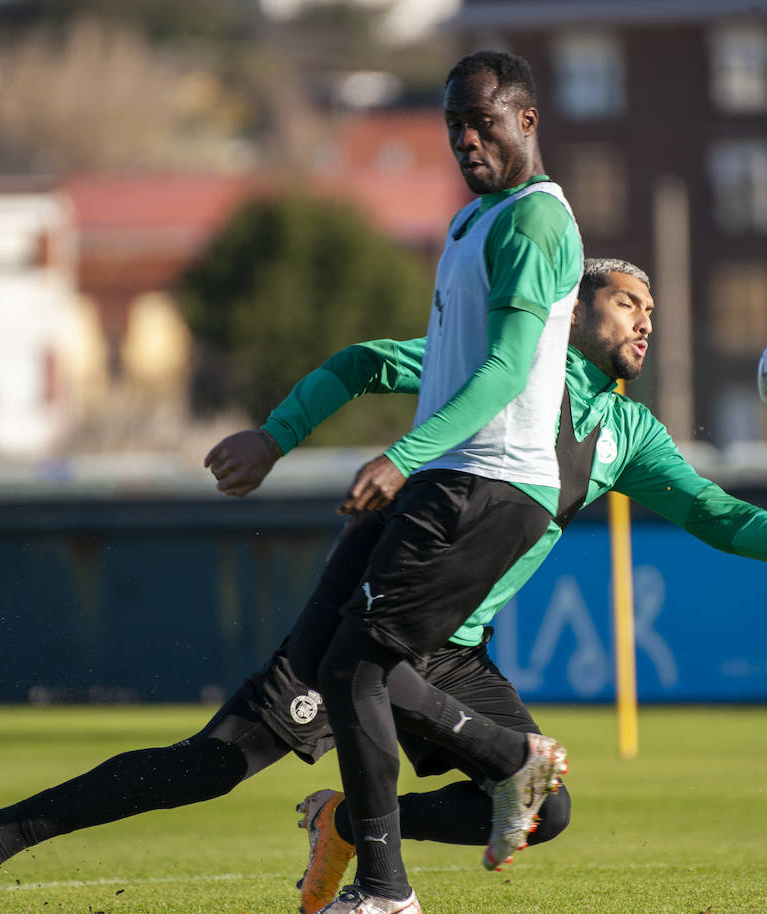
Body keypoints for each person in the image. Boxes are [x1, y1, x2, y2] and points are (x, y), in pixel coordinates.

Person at [0, 258, 767, 914]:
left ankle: (349, 821)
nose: (647, 316)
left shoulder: (630, 435)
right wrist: (278, 432)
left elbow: (717, 515)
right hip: (378, 594)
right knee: (216, 763)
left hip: (453, 643)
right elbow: (361, 361)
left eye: (653, 308)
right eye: (625, 301)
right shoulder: (507, 367)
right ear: (571, 309)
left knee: (544, 809)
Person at [292, 49, 587, 914]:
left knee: (354, 672)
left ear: (527, 121)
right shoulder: (475, 220)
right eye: (453, 123)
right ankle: (510, 761)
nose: (464, 138)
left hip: (488, 484)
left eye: (483, 121)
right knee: (322, 658)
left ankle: (385, 892)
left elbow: (502, 373)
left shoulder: (536, 223)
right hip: (448, 477)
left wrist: (404, 455)